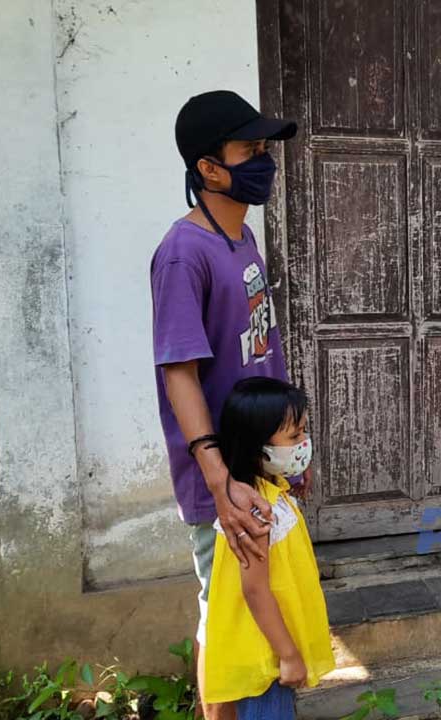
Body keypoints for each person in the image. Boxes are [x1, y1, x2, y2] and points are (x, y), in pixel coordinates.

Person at [151, 89, 302, 719]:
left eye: (265, 148)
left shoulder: (241, 240)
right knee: (225, 620)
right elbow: (179, 372)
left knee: (247, 615)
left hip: (256, 469)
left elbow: (256, 351)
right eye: (249, 150)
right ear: (209, 168)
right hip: (224, 480)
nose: (264, 161)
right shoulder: (183, 253)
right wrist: (218, 479)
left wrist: (287, 452)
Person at [200, 377, 335, 719]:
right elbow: (255, 590)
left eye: (304, 431)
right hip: (265, 658)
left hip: (272, 648)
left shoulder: (272, 492)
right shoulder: (254, 512)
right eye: (294, 436)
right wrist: (287, 654)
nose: (304, 442)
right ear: (257, 447)